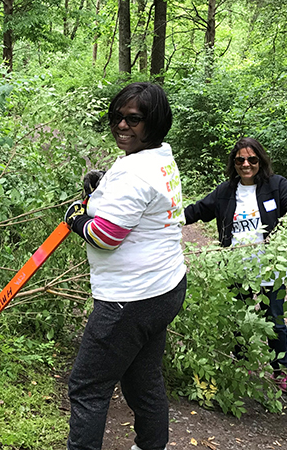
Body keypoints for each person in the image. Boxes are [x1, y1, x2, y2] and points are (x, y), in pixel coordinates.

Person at [64, 82, 187, 450]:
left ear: (155, 123)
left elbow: (105, 236)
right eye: (117, 117)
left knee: (88, 387)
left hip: (128, 300)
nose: (122, 125)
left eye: (133, 120)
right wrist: (102, 188)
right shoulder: (159, 156)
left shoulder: (136, 173)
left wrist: (77, 220)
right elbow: (140, 199)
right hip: (165, 287)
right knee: (142, 377)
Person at [183, 137, 287, 391]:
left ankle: (281, 371)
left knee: (274, 320)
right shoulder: (225, 192)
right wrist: (167, 218)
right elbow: (197, 210)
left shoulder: (276, 186)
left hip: (271, 267)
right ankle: (243, 364)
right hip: (237, 267)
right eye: (240, 159)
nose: (246, 164)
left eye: (252, 159)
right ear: (234, 163)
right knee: (239, 319)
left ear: (260, 161)